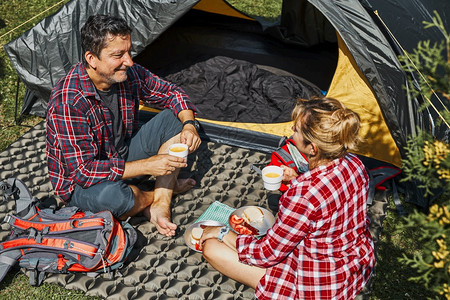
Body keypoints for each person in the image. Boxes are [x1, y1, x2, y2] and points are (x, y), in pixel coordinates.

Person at [199, 97, 375, 299]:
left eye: (297, 130)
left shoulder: (304, 194)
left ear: (313, 148)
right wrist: (297, 179)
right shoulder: (354, 163)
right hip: (353, 264)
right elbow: (328, 197)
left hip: (319, 283)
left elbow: (267, 254)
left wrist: (222, 232)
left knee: (211, 248)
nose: (291, 129)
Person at [46, 14, 201, 237]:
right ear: (92, 59)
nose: (128, 61)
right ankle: (161, 191)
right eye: (118, 55)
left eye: (128, 51)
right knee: (113, 199)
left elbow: (172, 93)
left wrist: (188, 125)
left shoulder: (128, 72)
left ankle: (158, 205)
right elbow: (84, 171)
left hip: (122, 155)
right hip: (82, 185)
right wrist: (149, 166)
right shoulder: (69, 101)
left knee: (174, 117)